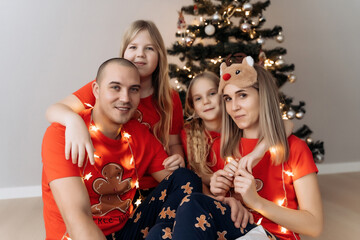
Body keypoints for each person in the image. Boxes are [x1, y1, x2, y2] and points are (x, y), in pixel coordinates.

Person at [42, 58, 202, 240]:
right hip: (77, 236)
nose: (125, 98)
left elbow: (178, 183)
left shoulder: (139, 134)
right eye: (115, 87)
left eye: (133, 89)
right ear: (96, 90)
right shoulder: (62, 134)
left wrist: (221, 199)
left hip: (126, 232)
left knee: (184, 178)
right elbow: (78, 220)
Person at [45, 20, 185, 199]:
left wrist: (177, 157)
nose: (140, 54)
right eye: (133, 47)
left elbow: (174, 143)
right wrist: (74, 121)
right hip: (118, 185)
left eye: (149, 48)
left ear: (160, 56)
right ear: (123, 52)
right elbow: (54, 109)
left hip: (157, 183)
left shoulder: (169, 97)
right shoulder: (105, 89)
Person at [209, 56, 323, 239]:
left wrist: (256, 202)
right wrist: (218, 195)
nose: (234, 107)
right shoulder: (220, 148)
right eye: (228, 99)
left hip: (273, 235)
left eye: (242, 95)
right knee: (189, 206)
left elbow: (314, 225)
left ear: (263, 96)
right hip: (228, 232)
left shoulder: (295, 148)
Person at [181, 71, 293, 189]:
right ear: (192, 105)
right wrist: (220, 179)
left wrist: (259, 151)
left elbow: (286, 124)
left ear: (223, 96)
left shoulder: (238, 124)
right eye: (198, 98)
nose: (206, 101)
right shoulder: (189, 133)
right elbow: (193, 174)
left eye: (212, 93)